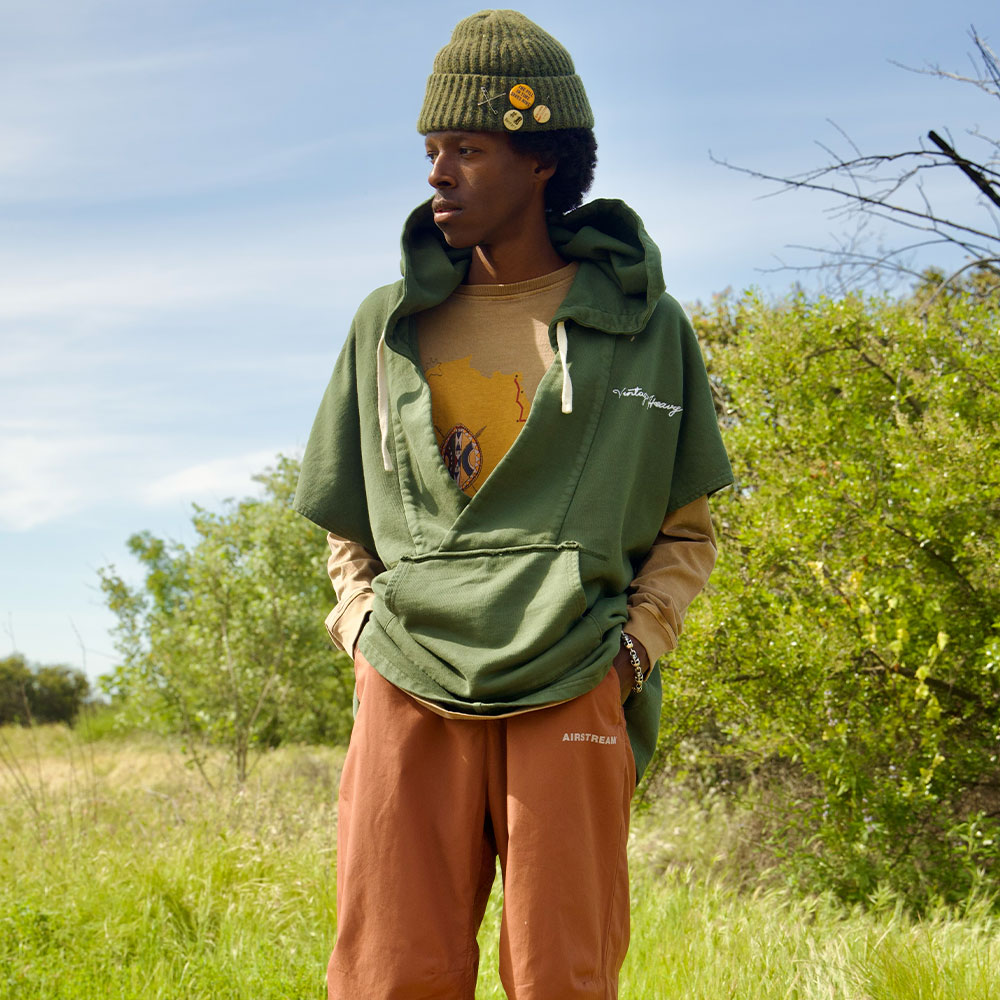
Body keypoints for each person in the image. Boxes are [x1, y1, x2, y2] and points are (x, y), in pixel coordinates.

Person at [293, 10, 732, 998]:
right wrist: (361, 629)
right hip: (408, 677)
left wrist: (631, 653)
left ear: (541, 160)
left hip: (574, 675)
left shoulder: (642, 325)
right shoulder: (387, 324)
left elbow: (686, 530)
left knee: (561, 977)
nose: (437, 174)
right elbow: (347, 522)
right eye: (431, 150)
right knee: (389, 974)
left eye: (467, 149)